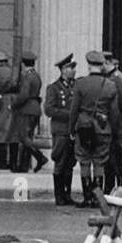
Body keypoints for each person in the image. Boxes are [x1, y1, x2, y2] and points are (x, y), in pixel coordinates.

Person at [68, 50, 122, 207]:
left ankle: (87, 197)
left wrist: (71, 128)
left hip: (83, 127)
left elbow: (74, 110)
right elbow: (114, 112)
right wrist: (112, 130)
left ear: (89, 66)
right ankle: (97, 197)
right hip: (103, 128)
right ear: (102, 66)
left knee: (84, 162)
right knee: (99, 162)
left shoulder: (80, 84)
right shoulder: (110, 85)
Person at [43, 54, 77, 205]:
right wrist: (69, 114)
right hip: (61, 130)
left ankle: (67, 194)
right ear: (63, 70)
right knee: (60, 162)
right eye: (70, 68)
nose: (73, 71)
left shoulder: (76, 86)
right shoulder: (54, 88)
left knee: (70, 163)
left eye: (73, 68)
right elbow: (49, 109)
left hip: (73, 131)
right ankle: (59, 195)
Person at [9, 51, 47, 173]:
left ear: (23, 63)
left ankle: (40, 157)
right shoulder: (36, 76)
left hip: (27, 109)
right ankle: (24, 165)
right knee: (28, 137)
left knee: (23, 137)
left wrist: (13, 104)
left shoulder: (27, 77)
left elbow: (24, 95)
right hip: (35, 108)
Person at [102, 51, 122, 193]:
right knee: (109, 161)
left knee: (117, 160)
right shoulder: (109, 77)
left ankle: (121, 189)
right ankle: (109, 189)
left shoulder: (117, 78)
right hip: (111, 125)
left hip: (118, 126)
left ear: (107, 63)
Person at [0, 49, 17, 171]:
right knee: (11, 133)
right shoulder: (12, 71)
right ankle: (13, 162)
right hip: (11, 101)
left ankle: (1, 162)